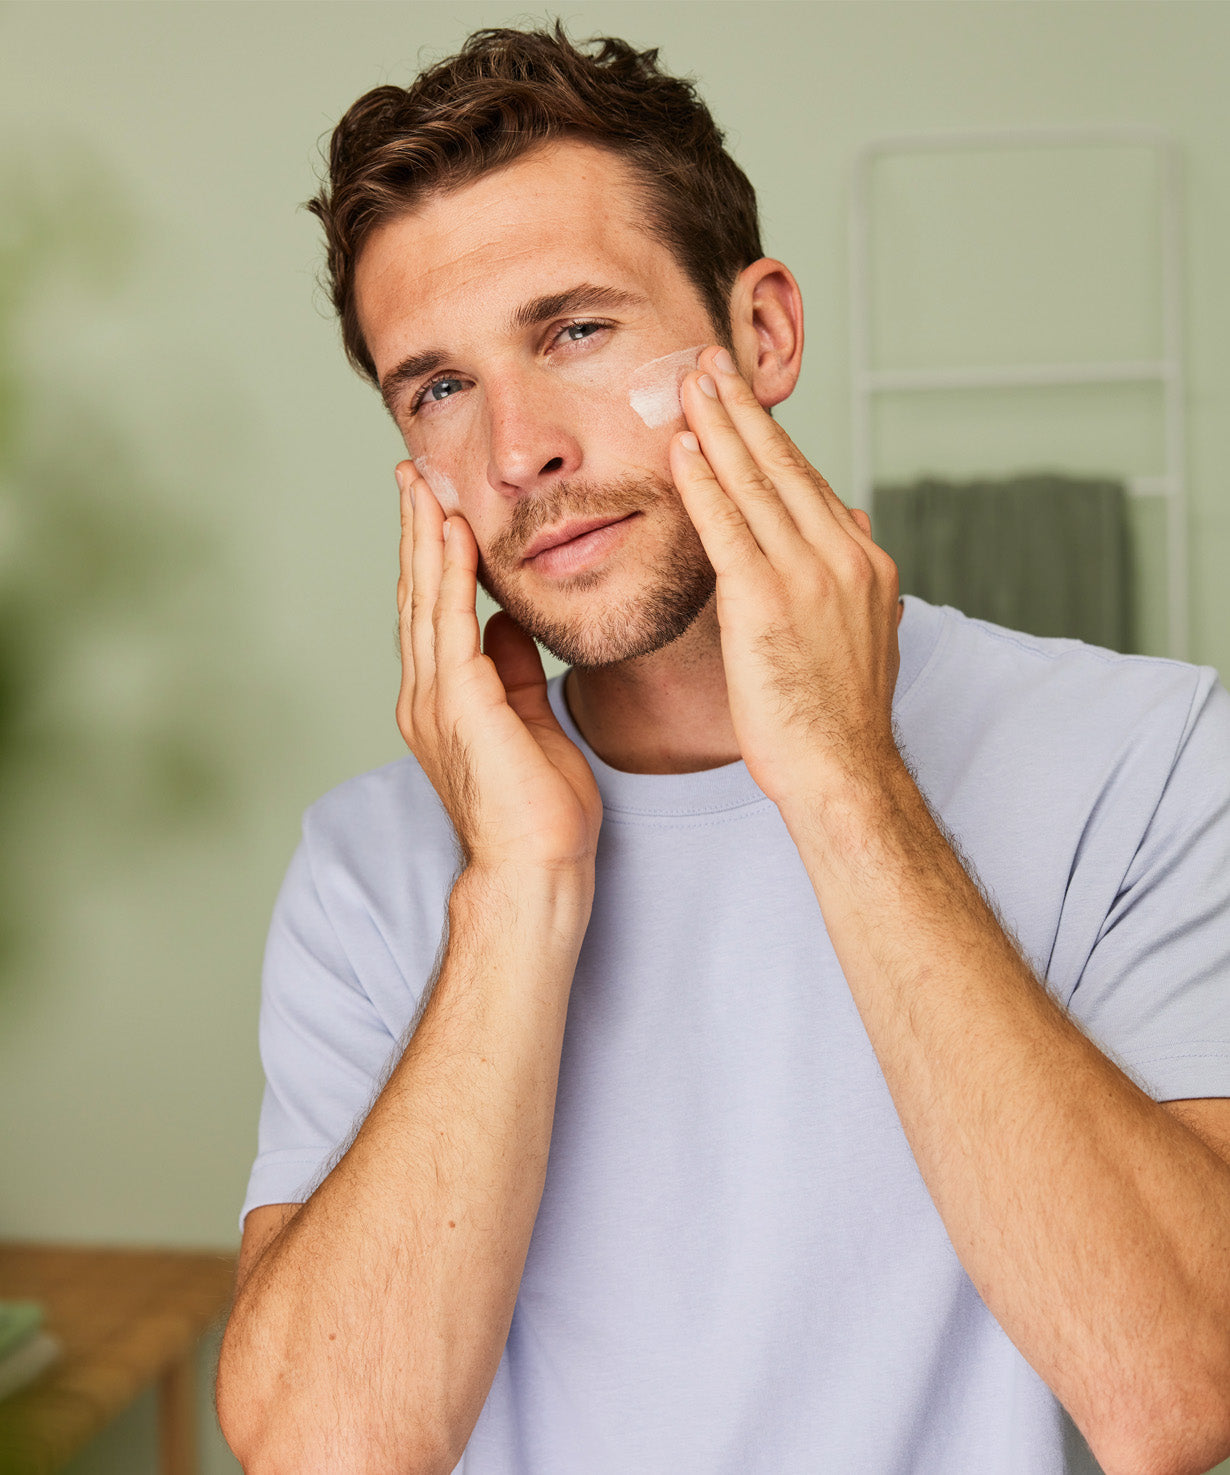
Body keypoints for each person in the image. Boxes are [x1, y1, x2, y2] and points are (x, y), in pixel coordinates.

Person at [215, 22, 1230, 1475]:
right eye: (437, 387)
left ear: (761, 335)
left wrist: (841, 782)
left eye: (572, 329)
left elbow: (1177, 1397)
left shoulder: (1146, 756)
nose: (517, 451)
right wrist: (517, 883)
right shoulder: (373, 864)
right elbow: (324, 1449)